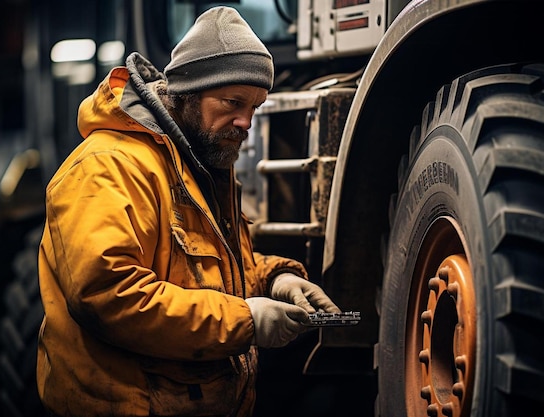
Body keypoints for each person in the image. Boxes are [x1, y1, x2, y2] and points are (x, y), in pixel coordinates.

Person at [36, 6, 341, 417]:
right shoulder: (108, 167)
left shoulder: (199, 166)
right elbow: (109, 295)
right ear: (187, 93)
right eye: (233, 102)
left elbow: (202, 271)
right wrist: (245, 319)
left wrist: (275, 280)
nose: (245, 121)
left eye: (255, 106)